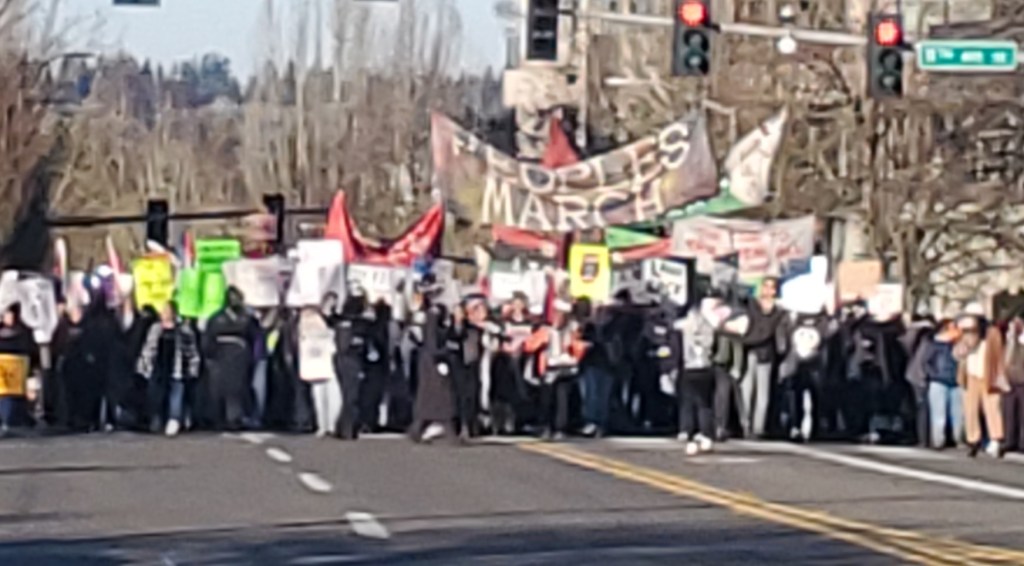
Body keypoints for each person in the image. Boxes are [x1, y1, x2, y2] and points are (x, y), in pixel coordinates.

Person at [137, 301, 201, 436]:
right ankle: (157, 420)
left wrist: (193, 367)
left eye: (167, 311)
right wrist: (144, 365)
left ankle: (174, 419)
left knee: (176, 395)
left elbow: (191, 351)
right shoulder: (155, 329)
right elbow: (148, 348)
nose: (164, 314)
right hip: (157, 369)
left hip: (176, 368)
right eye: (163, 311)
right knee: (156, 395)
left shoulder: (183, 330)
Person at [523, 302, 586, 440]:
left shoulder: (572, 330)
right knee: (547, 399)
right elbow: (529, 346)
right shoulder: (546, 330)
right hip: (549, 368)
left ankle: (560, 428)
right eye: (556, 314)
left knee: (562, 399)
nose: (559, 318)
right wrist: (540, 341)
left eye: (562, 315)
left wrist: (575, 350)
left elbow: (579, 347)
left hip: (566, 367)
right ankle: (546, 426)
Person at [202, 287, 259, 431]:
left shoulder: (245, 317)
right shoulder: (219, 318)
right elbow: (209, 339)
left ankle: (234, 418)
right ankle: (223, 418)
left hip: (237, 354)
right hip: (224, 354)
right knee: (222, 388)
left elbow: (254, 336)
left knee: (237, 388)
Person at [954, 305, 1007, 458]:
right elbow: (959, 352)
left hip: (988, 374)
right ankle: (973, 440)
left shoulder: (992, 333)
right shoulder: (965, 334)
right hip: (971, 375)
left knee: (992, 408)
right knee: (970, 409)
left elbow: (997, 355)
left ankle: (996, 438)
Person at [739, 277, 788, 439]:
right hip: (749, 350)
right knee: (746, 389)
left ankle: (758, 427)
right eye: (765, 286)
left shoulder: (779, 311)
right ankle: (744, 425)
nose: (768, 290)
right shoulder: (751, 305)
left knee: (763, 392)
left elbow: (780, 335)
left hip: (766, 353)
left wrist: (782, 350)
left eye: (771, 287)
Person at [324, 288, 371, 440]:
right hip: (352, 361)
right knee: (351, 396)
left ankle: (342, 427)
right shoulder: (361, 324)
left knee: (346, 395)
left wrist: (331, 306)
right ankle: (347, 428)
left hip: (339, 360)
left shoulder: (340, 320)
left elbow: (329, 317)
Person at [677, 298, 718, 455]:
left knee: (689, 401)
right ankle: (705, 433)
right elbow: (711, 342)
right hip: (705, 366)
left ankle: (687, 431)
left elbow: (675, 326)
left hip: (689, 367)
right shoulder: (708, 325)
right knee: (704, 403)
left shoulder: (686, 325)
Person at [0, 304, 40, 434]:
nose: (9, 317)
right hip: (3, 377)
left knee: (18, 400)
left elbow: (31, 353)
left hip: (20, 375)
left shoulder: (23, 334)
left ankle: (18, 421)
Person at [924, 320, 962, 449]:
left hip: (956, 382)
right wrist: (933, 374)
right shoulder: (934, 344)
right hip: (938, 381)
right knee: (938, 414)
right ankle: (938, 440)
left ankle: (959, 439)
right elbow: (926, 362)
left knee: (958, 414)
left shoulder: (959, 344)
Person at [1003, 316, 1024, 452]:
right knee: (1009, 413)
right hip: (1008, 381)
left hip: (1022, 381)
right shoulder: (1008, 341)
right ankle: (1010, 440)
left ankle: (1022, 442)